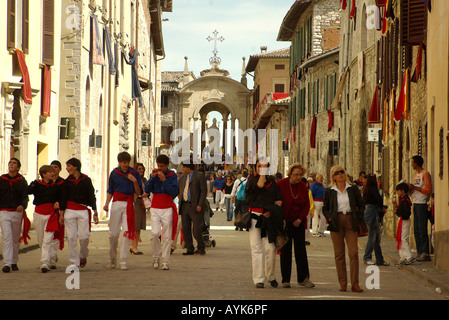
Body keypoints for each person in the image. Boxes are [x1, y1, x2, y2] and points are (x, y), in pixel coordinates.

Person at [323, 165, 365, 293]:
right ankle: (343, 283)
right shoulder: (330, 191)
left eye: (342, 172)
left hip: (350, 221)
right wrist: (330, 218)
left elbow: (361, 204)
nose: (340, 174)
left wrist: (357, 217)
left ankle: (355, 283)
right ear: (333, 177)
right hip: (336, 222)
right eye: (337, 173)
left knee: (353, 253)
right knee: (339, 254)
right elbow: (325, 208)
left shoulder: (352, 189)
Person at [246, 159, 283, 288]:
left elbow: (278, 201)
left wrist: (271, 211)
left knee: (271, 248)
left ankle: (271, 275)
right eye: (259, 166)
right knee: (256, 248)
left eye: (265, 166)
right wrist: (262, 172)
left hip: (268, 218)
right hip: (254, 217)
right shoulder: (251, 180)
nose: (261, 168)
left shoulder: (273, 183)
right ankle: (258, 279)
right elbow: (259, 186)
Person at [277, 163, 314, 288]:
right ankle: (285, 279)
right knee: (285, 251)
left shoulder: (303, 187)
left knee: (301, 251)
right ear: (290, 174)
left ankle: (303, 278)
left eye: (300, 175)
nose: (298, 177)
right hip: (285, 222)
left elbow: (306, 205)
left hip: (298, 222)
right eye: (295, 175)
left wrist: (300, 219)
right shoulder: (281, 184)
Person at [103, 152, 142, 270]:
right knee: (113, 234)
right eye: (123, 162)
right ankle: (112, 258)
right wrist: (106, 204)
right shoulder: (114, 173)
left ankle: (123, 260)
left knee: (126, 233)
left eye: (127, 162)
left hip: (129, 204)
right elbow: (110, 190)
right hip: (117, 203)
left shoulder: (134, 173)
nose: (126, 164)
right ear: (119, 162)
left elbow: (139, 192)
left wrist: (134, 181)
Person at [59, 158, 99, 268]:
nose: (67, 169)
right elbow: (63, 198)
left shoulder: (86, 180)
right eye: (67, 166)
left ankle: (83, 255)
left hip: (82, 210)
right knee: (71, 237)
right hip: (70, 211)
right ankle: (74, 262)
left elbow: (91, 196)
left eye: (69, 166)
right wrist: (62, 214)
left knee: (84, 237)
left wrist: (95, 212)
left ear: (75, 167)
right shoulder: (66, 182)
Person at [26, 165, 63, 272]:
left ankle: (44, 263)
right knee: (41, 239)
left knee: (47, 239)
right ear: (44, 174)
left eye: (53, 172)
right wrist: (34, 182)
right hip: (39, 214)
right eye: (50, 172)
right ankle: (50, 257)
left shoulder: (55, 186)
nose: (52, 173)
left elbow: (60, 198)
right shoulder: (37, 185)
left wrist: (57, 203)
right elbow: (28, 191)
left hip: (51, 215)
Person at [145, 155, 178, 270]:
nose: (159, 168)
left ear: (167, 165)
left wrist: (164, 181)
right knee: (154, 233)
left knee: (167, 236)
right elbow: (146, 190)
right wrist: (151, 178)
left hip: (167, 206)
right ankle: (155, 256)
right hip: (155, 206)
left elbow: (174, 192)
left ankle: (165, 260)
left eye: (162, 166)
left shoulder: (172, 176)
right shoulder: (154, 175)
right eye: (158, 165)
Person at [0, 158, 29, 273]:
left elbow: (25, 196)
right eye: (10, 163)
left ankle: (14, 261)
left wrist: (23, 205)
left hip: (17, 212)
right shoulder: (2, 179)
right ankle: (7, 263)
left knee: (15, 238)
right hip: (4, 211)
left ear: (18, 168)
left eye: (14, 163)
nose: (11, 165)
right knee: (6, 237)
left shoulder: (22, 181)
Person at [178, 160, 208, 255]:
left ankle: (201, 247)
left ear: (188, 167)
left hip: (195, 206)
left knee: (196, 230)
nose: (182, 169)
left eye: (184, 167)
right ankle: (189, 248)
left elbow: (203, 192)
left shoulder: (199, 176)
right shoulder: (182, 177)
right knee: (185, 228)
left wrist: (200, 204)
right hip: (184, 205)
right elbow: (179, 190)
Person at [408, 155, 432, 262]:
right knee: (416, 229)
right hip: (416, 202)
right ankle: (419, 252)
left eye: (412, 162)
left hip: (422, 203)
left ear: (416, 163)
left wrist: (415, 187)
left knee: (422, 228)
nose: (411, 164)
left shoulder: (425, 174)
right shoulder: (417, 175)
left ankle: (425, 252)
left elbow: (428, 190)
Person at [362, 174, 389, 266]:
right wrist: (382, 208)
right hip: (372, 212)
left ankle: (379, 259)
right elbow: (378, 199)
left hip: (369, 211)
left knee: (376, 238)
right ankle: (367, 257)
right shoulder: (372, 188)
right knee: (372, 235)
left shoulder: (366, 189)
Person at [394, 182, 414, 265]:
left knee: (403, 239)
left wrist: (402, 216)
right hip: (402, 220)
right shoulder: (403, 200)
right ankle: (403, 256)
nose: (397, 192)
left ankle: (409, 256)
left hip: (404, 220)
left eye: (398, 191)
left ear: (402, 191)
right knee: (400, 239)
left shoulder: (405, 200)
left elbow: (406, 212)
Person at [131, 162, 148, 255]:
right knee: (135, 225)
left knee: (139, 226)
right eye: (139, 169)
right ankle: (132, 246)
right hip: (135, 202)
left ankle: (135, 246)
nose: (141, 170)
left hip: (143, 203)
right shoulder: (133, 180)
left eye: (142, 169)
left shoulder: (144, 180)